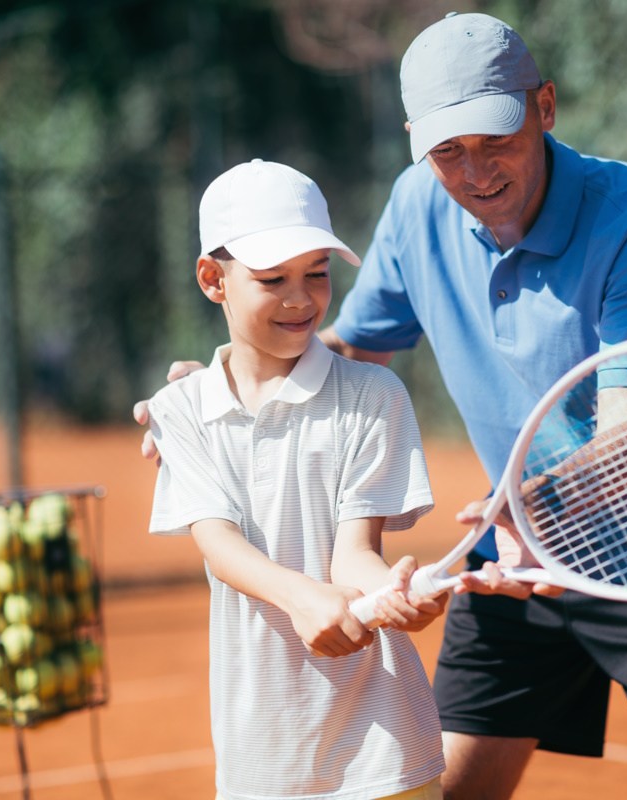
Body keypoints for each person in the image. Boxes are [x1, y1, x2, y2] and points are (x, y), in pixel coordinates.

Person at [137, 13, 627, 800]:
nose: (475, 171)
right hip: (515, 556)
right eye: (448, 151)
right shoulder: (418, 205)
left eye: (497, 140)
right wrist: (225, 386)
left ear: (546, 108)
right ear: (416, 142)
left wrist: (529, 508)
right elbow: (343, 357)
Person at [145, 158, 447, 800]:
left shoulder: (374, 395)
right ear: (212, 279)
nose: (301, 298)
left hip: (386, 752)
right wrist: (301, 599)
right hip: (262, 758)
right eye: (272, 278)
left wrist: (393, 595)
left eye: (317, 273)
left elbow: (355, 555)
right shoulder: (178, 409)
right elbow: (220, 545)